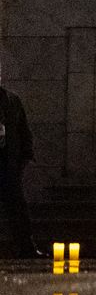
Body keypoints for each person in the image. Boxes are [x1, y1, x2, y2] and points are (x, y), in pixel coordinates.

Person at [0, 78, 38, 258]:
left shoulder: (11, 100)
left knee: (18, 207)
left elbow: (23, 129)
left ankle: (26, 248)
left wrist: (26, 155)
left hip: (8, 163)